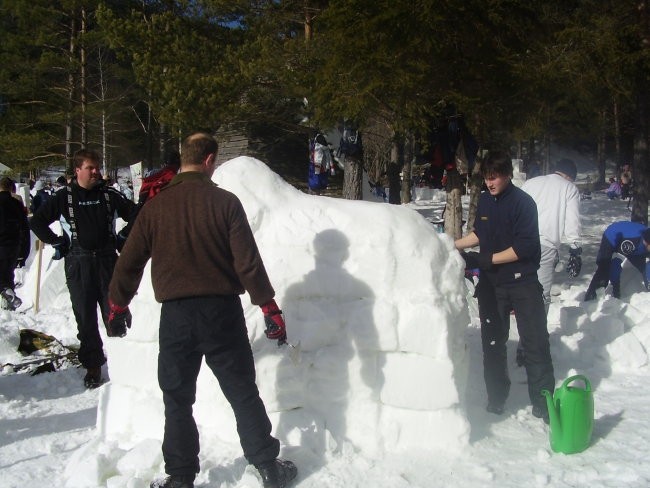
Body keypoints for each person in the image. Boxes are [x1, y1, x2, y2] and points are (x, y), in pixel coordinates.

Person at [107, 133, 297, 488]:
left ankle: (180, 479)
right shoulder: (225, 202)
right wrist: (269, 307)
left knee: (177, 399)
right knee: (241, 390)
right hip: (220, 313)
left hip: (176, 318)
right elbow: (248, 264)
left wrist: (117, 305)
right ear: (210, 160)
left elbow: (128, 263)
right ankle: (268, 467)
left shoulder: (156, 207)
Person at [455, 150, 555, 423]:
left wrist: (487, 259)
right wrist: (452, 245)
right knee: (493, 345)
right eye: (486, 178)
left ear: (508, 175)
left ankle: (543, 402)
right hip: (492, 286)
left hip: (522, 283)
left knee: (535, 344)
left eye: (494, 177)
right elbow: (480, 233)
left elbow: (525, 247)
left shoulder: (523, 203)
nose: (490, 183)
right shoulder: (486, 201)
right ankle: (496, 398)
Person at [29, 149, 135, 388]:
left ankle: (124, 364)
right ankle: (94, 367)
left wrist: (122, 237)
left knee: (116, 312)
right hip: (79, 264)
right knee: (85, 319)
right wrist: (57, 241)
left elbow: (138, 214)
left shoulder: (109, 195)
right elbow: (36, 221)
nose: (96, 172)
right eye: (91, 168)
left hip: (108, 262)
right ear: (77, 170)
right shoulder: (63, 197)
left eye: (97, 167)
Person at [517, 158, 582, 364]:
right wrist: (575, 248)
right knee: (539, 295)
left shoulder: (532, 182)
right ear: (570, 176)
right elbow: (572, 219)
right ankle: (529, 347)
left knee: (519, 290)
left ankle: (506, 341)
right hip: (544, 246)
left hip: (517, 243)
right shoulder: (569, 188)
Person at [584, 221, 650, 301]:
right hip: (612, 237)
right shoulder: (631, 242)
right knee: (605, 268)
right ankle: (592, 295)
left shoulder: (644, 243)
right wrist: (615, 287)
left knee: (645, 268)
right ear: (647, 243)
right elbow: (617, 260)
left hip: (636, 244)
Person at [0, 177, 30, 311]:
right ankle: (9, 307)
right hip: (14, 245)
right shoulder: (16, 203)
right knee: (8, 274)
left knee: (2, 278)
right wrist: (24, 252)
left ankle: (6, 292)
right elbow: (25, 226)